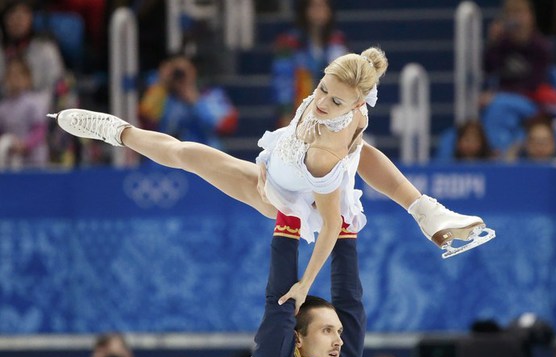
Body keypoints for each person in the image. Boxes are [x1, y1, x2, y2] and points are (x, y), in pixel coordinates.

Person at [49, 47, 495, 297]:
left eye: (335, 102)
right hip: (284, 160)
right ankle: (425, 210)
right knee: (361, 152)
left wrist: (305, 284)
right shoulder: (350, 104)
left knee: (188, 155)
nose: (322, 102)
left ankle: (117, 133)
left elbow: (331, 227)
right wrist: (288, 146)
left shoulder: (326, 151)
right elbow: (352, 138)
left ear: (357, 104)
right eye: (322, 89)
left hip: (278, 194)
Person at [250, 211, 365, 357]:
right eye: (327, 330)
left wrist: (344, 221)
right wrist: (290, 211)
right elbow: (279, 303)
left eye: (339, 332)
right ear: (297, 338)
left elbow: (350, 304)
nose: (339, 341)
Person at [138, 53, 238, 150]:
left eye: (183, 71)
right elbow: (146, 120)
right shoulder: (163, 96)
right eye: (176, 72)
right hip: (171, 154)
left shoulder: (212, 95)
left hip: (207, 152)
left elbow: (222, 126)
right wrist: (162, 83)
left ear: (193, 71)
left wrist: (195, 101)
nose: (180, 76)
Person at [272, 0, 348, 127]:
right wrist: (286, 112)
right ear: (305, 10)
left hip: (330, 113)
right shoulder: (289, 42)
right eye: (314, 6)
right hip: (298, 110)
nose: (318, 12)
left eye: (322, 6)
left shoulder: (338, 42)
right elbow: (282, 80)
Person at [0, 0, 65, 98]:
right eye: (12, 14)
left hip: (42, 103)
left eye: (24, 14)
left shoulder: (45, 49)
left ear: (32, 18)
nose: (18, 19)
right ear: (4, 19)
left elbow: (58, 86)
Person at [0, 56, 49, 169]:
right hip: (11, 162)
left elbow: (40, 130)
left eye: (19, 75)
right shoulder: (3, 107)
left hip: (34, 162)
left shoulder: (34, 103)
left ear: (28, 79)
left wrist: (25, 145)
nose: (15, 79)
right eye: (11, 75)